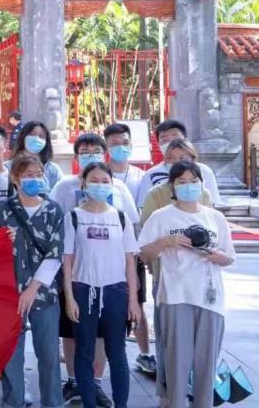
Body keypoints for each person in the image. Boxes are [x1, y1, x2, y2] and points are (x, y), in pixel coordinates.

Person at [138, 161, 235, 408]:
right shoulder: (162, 216)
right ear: (172, 186)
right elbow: (144, 253)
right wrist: (167, 241)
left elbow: (229, 257)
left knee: (206, 361)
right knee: (176, 360)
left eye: (194, 181)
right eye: (182, 182)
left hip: (210, 298)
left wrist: (217, 256)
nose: (189, 186)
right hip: (175, 295)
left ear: (202, 184)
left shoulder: (215, 217)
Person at [48, 133, 136, 406]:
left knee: (117, 354)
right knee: (84, 352)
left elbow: (130, 261)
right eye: (94, 181)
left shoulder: (120, 217)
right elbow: (67, 261)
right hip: (83, 290)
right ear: (83, 184)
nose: (99, 185)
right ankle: (87, 401)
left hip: (115, 292)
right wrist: (70, 298)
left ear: (112, 184)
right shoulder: (73, 216)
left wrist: (133, 300)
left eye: (104, 181)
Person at [0, 154, 64, 408]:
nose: (34, 179)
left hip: (43, 293)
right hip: (8, 293)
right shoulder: (2, 209)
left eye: (38, 174)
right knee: (12, 355)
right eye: (28, 175)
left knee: (49, 355)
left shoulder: (53, 210)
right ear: (15, 178)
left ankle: (52, 403)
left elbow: (55, 253)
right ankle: (13, 402)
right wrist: (2, 241)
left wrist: (32, 288)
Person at [103, 122, 155, 377]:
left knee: (137, 302)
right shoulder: (99, 175)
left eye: (124, 143)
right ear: (106, 147)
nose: (119, 147)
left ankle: (145, 354)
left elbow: (142, 215)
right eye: (114, 144)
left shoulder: (140, 176)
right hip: (104, 250)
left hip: (132, 249)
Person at [135, 120, 221, 207]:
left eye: (175, 137)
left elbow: (212, 203)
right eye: (164, 139)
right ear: (158, 144)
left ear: (185, 140)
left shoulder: (204, 171)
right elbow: (144, 206)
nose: (171, 143)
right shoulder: (150, 174)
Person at [10, 121, 64, 190]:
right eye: (32, 134)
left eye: (41, 136)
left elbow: (62, 191)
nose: (36, 138)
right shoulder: (8, 167)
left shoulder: (53, 170)